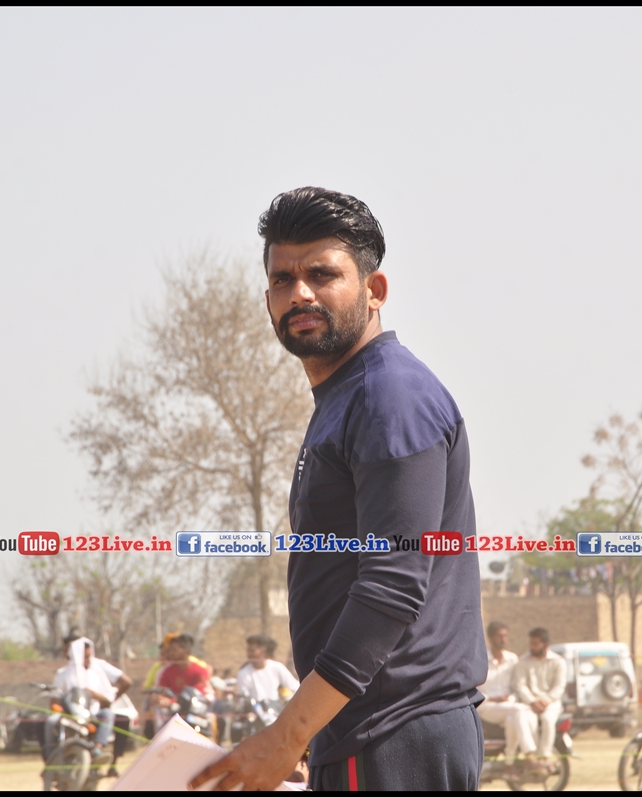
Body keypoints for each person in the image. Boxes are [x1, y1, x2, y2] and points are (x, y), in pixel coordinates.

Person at [192, 187, 486, 791]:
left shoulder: (389, 396)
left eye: (322, 274)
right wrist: (311, 735)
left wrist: (288, 735)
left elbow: (391, 586)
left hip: (392, 732)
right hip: (361, 733)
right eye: (283, 279)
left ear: (375, 289)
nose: (300, 293)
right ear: (268, 301)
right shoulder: (348, 397)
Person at [45, 638, 120, 766]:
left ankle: (97, 749)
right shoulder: (62, 674)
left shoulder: (96, 674)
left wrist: (94, 694)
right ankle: (50, 757)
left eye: (89, 656)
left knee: (108, 714)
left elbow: (108, 700)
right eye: (85, 657)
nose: (88, 660)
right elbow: (55, 700)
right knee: (51, 721)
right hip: (69, 715)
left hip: (91, 716)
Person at [476, 622, 534, 765]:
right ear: (490, 638)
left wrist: (510, 698)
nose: (503, 640)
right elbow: (474, 689)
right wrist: (492, 698)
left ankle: (509, 763)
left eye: (505, 636)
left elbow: (516, 687)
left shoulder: (512, 659)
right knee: (520, 709)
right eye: (499, 636)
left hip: (509, 707)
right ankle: (530, 754)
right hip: (486, 707)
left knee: (513, 718)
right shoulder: (480, 659)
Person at [511, 628, 566, 767]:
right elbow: (520, 685)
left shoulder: (558, 661)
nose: (532, 647)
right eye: (531, 643)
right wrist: (532, 701)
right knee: (529, 721)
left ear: (546, 644)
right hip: (529, 703)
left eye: (535, 644)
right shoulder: (523, 661)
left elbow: (559, 687)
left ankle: (545, 757)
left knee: (548, 720)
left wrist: (546, 700)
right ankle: (534, 760)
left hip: (551, 703)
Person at [235, 635, 300, 704]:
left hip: (274, 706)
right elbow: (243, 697)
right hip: (254, 707)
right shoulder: (243, 673)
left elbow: (295, 687)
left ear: (263, 651)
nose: (249, 654)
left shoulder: (277, 667)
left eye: (252, 650)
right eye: (248, 650)